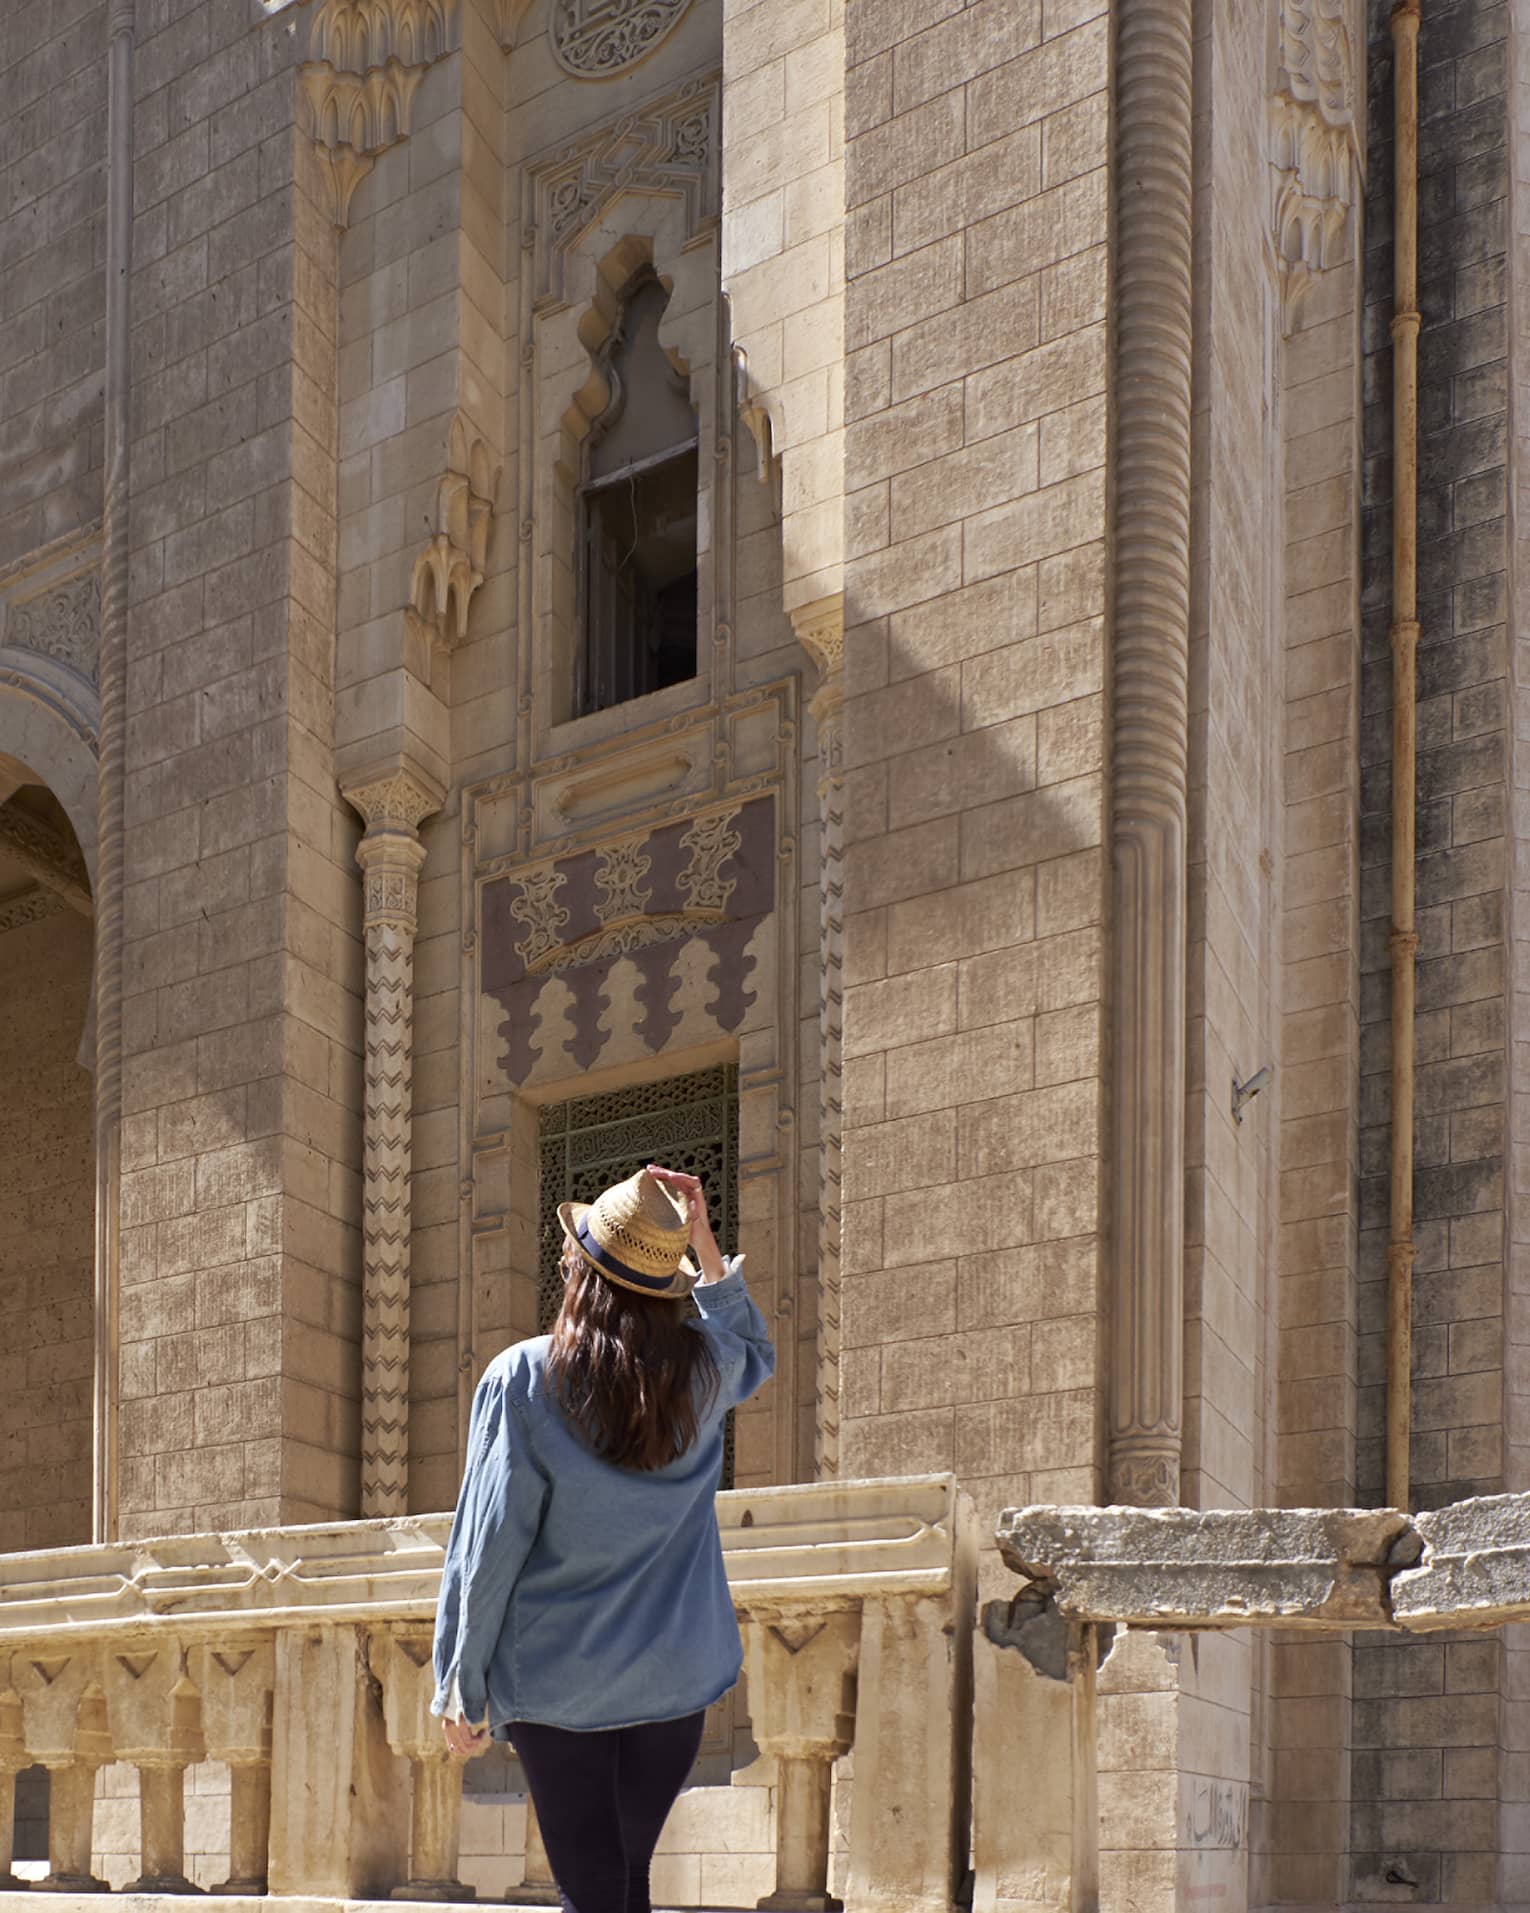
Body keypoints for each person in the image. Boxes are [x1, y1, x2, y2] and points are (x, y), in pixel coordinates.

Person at [431, 1161, 775, 1913]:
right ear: (666, 1285)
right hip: (675, 1683)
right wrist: (707, 1248)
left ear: (577, 1272)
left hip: (562, 1687)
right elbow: (754, 1348)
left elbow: (489, 1542)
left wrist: (462, 1678)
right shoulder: (707, 1373)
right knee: (624, 1881)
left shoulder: (524, 1378)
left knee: (593, 1889)